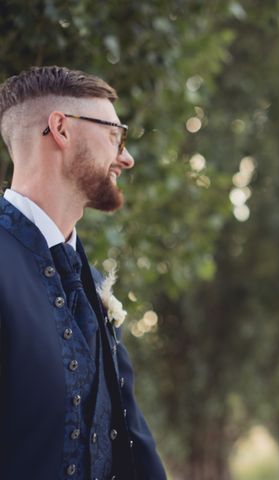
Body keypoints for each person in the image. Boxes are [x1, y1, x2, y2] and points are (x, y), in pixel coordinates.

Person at [0, 66, 166, 479]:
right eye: (115, 135)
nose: (126, 157)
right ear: (61, 128)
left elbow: (129, 435)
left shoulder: (88, 279)